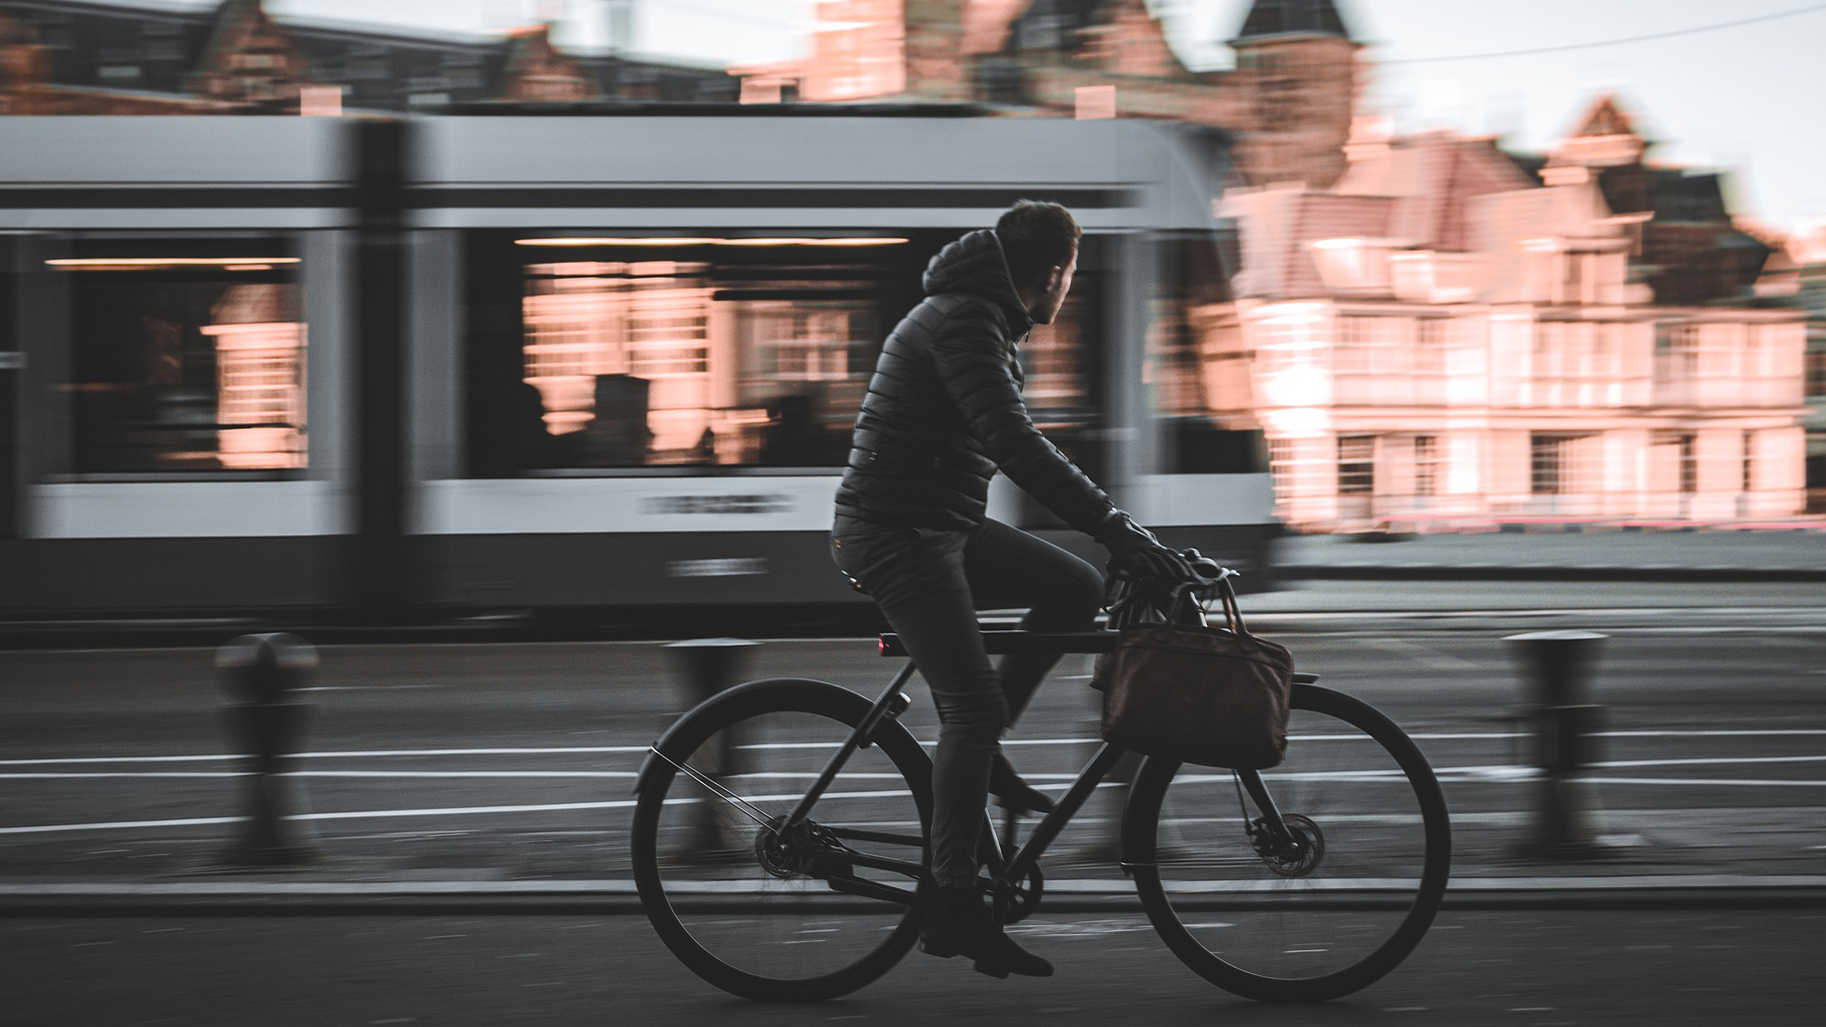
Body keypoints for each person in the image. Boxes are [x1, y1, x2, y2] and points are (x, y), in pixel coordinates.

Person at [830, 201, 1193, 978]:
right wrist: (1119, 525)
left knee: (1074, 586)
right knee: (972, 707)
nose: (1069, 289)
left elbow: (1006, 442)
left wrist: (1111, 540)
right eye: (1071, 275)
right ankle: (953, 903)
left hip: (939, 523)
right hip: (898, 532)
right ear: (1055, 271)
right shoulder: (966, 319)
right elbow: (1012, 441)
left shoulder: (979, 314)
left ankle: (982, 756)